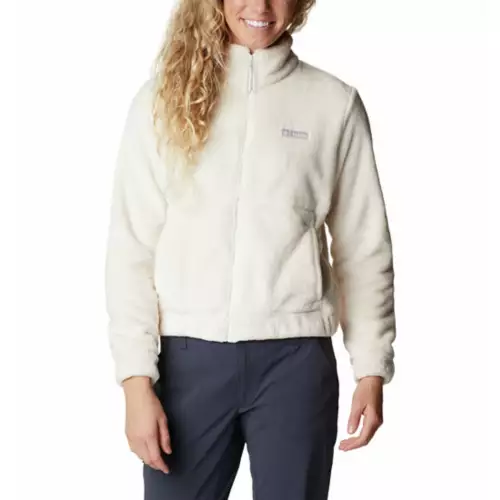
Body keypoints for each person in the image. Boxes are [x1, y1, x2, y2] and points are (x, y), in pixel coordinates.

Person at [104, 0, 396, 498]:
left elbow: (363, 247)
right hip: (187, 362)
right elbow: (131, 249)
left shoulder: (333, 105)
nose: (260, 6)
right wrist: (135, 380)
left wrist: (371, 366)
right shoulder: (163, 98)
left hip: (294, 364)